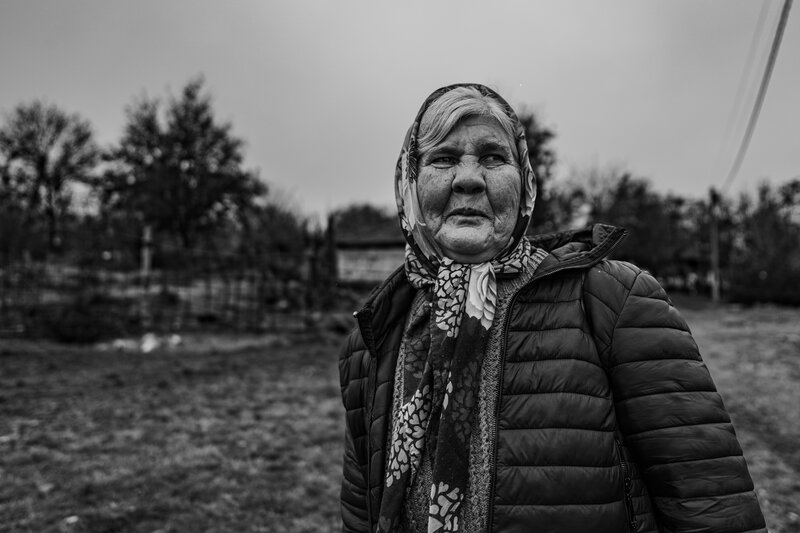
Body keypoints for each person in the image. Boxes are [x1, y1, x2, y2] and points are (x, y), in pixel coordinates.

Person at [338, 83, 766, 533]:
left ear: (524, 182)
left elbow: (712, 505)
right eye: (443, 158)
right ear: (410, 181)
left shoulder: (614, 300)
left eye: (493, 157)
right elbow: (359, 517)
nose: (468, 179)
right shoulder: (373, 338)